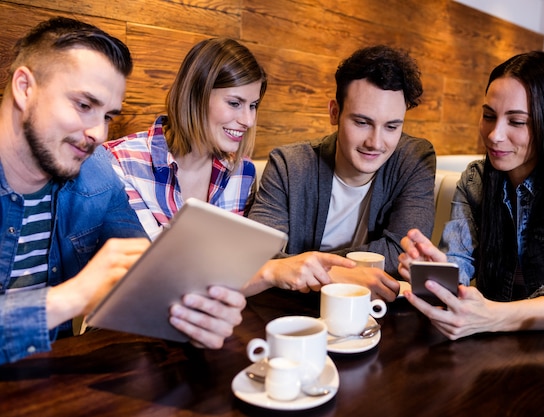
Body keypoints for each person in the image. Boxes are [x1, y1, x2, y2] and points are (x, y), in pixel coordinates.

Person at [0, 17, 245, 364]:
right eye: (84, 106)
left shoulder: (97, 171)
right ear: (25, 87)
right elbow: (81, 294)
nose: (99, 133)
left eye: (108, 116)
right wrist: (71, 298)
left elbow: (146, 276)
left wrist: (192, 316)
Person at [398, 51, 544, 339]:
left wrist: (494, 316)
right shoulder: (476, 180)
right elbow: (458, 264)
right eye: (489, 116)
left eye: (516, 121)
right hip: (496, 344)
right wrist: (435, 273)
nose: (494, 135)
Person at [245, 45, 436, 301]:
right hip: (293, 311)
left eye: (391, 126)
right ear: (335, 113)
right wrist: (339, 275)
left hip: (374, 317)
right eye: (362, 122)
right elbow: (256, 256)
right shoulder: (289, 165)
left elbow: (400, 254)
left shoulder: (414, 159)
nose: (375, 142)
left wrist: (311, 268)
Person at [103, 38, 266, 240]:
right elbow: (139, 260)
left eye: (253, 106)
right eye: (234, 103)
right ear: (195, 97)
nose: (248, 121)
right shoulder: (120, 162)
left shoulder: (243, 171)